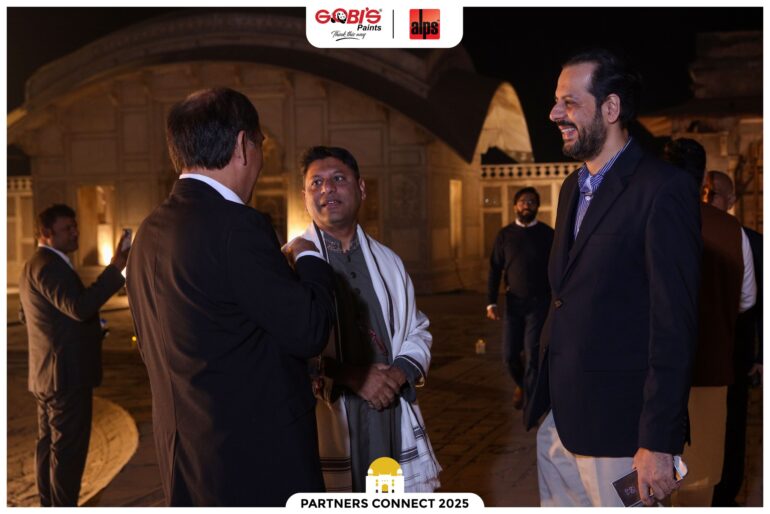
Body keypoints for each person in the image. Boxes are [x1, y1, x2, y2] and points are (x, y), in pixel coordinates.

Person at [125, 88, 335, 506]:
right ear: (242, 145)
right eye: (260, 144)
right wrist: (309, 256)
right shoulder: (238, 227)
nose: (260, 158)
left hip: (187, 459)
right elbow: (310, 329)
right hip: (255, 463)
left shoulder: (148, 231)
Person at [525, 49, 701, 507]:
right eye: (556, 102)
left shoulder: (663, 189)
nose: (554, 114)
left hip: (622, 430)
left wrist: (659, 439)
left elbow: (673, 326)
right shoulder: (571, 188)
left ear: (611, 108)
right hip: (559, 420)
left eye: (569, 103)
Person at [290, 146, 441, 493]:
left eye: (338, 178)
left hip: (387, 417)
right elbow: (282, 347)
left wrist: (398, 374)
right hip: (326, 419)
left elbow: (417, 330)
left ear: (361, 188)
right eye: (316, 183)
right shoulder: (291, 265)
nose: (327, 188)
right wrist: (353, 377)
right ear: (305, 196)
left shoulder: (390, 262)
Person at [662, 140, 756, 506]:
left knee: (641, 476)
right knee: (699, 475)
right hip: (710, 367)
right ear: (704, 180)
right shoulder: (731, 230)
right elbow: (746, 299)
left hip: (649, 373)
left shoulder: (642, 217)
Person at [19, 204, 129, 506]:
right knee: (67, 455)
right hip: (65, 377)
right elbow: (79, 307)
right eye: (67, 228)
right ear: (46, 233)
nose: (75, 232)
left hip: (47, 375)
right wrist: (115, 268)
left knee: (49, 449)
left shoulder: (33, 264)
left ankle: (50, 505)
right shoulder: (49, 265)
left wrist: (85, 333)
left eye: (75, 226)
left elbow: (30, 317)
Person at [702, 170, 763, 507]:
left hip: (735, 348)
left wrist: (761, 354)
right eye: (705, 191)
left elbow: (759, 303)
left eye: (715, 193)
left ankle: (727, 493)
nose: (708, 198)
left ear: (731, 201)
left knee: (734, 423)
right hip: (698, 351)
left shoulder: (753, 241)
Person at [486, 187, 553, 410]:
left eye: (532, 202)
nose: (527, 205)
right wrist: (491, 302)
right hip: (513, 303)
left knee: (533, 353)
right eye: (523, 201)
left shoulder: (547, 234)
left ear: (537, 206)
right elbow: (495, 269)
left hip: (539, 304)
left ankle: (532, 405)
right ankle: (523, 386)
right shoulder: (505, 235)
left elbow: (557, 268)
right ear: (515, 206)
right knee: (509, 355)